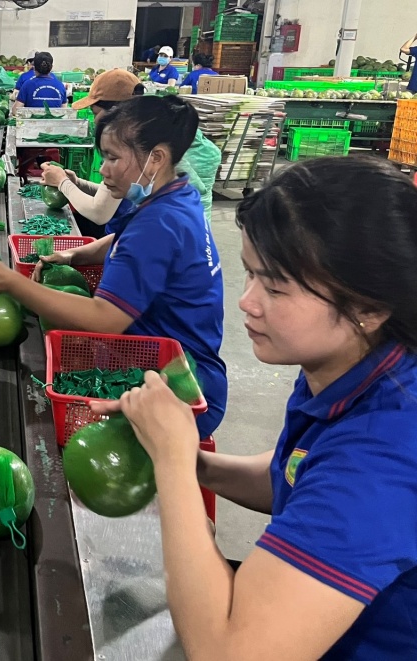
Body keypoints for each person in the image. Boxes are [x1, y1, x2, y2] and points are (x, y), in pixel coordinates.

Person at [91, 157, 417, 659]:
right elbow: (296, 473)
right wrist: (186, 458)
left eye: (275, 287)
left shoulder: (383, 454)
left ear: (368, 308)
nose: (247, 302)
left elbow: (226, 652)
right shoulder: (352, 366)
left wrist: (174, 464)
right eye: (249, 274)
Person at [0, 95, 226, 440]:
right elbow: (125, 241)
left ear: (156, 158)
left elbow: (105, 319)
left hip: (175, 393)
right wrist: (74, 256)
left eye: (113, 158)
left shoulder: (159, 223)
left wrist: (12, 282)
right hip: (180, 372)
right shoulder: (177, 197)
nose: (102, 169)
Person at [42, 69, 145, 238]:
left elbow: (99, 213)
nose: (95, 120)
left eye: (96, 113)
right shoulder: (136, 137)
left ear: (117, 111)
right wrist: (77, 183)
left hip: (127, 240)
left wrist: (62, 182)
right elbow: (113, 195)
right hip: (122, 234)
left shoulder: (127, 148)